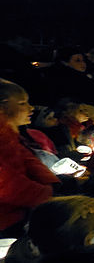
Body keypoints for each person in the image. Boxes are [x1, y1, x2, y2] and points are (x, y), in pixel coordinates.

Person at [0, 79, 59, 237]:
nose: (30, 108)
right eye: (22, 103)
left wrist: (53, 182)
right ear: (3, 106)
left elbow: (28, 159)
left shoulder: (11, 135)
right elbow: (8, 184)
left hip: (18, 212)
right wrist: (47, 194)